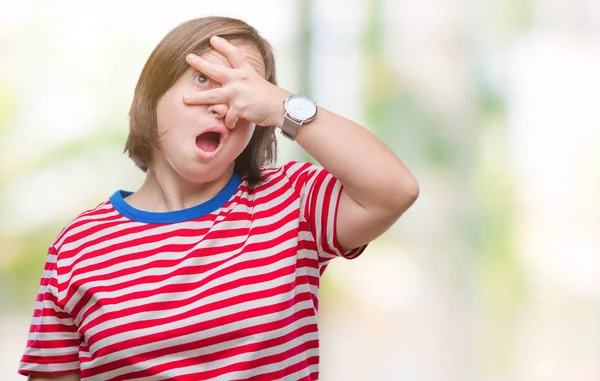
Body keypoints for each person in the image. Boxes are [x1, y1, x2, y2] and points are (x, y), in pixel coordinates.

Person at [18, 16, 419, 381]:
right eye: (205, 79)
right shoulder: (78, 245)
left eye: (244, 88)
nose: (223, 101)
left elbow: (395, 190)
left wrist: (283, 106)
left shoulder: (292, 201)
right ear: (152, 96)